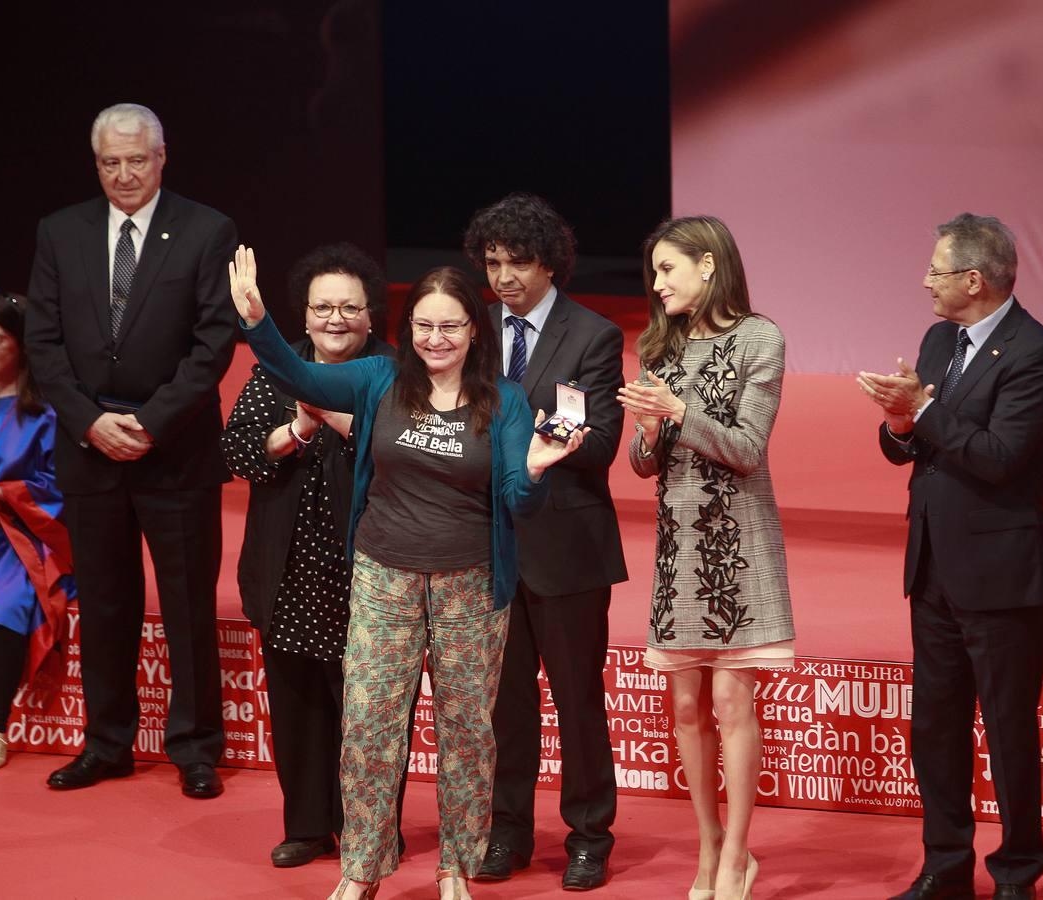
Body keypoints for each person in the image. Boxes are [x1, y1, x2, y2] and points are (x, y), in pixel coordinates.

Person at [229, 249, 589, 900]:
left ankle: (457, 865)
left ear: (475, 330)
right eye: (423, 325)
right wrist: (256, 322)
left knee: (467, 731)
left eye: (450, 326)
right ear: (408, 326)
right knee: (367, 724)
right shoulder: (377, 378)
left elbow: (515, 498)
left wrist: (535, 470)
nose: (435, 339)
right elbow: (293, 373)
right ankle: (361, 868)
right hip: (382, 576)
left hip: (472, 585)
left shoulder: (504, 401)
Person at [24, 102, 237, 799]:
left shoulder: (207, 230)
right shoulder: (61, 232)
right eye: (110, 162)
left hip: (175, 452)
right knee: (107, 605)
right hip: (90, 453)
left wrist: (148, 422)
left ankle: (196, 746)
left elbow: (213, 344)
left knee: (186, 606)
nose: (123, 174)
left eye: (135, 160)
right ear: (97, 164)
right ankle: (107, 743)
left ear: (161, 156)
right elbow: (44, 346)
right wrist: (91, 422)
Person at [858, 213, 1043, 900]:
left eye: (937, 271)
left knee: (1008, 731)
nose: (926, 282)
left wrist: (923, 411)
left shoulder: (1035, 351)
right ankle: (945, 865)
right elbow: (915, 443)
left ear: (974, 279)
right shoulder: (939, 338)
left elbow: (1003, 459)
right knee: (935, 727)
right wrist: (898, 422)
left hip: (1002, 573)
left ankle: (1016, 875)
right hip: (933, 567)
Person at [618, 215, 794, 900]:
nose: (656, 283)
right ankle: (709, 843)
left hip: (740, 547)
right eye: (654, 271)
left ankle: (738, 854)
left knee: (729, 697)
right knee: (686, 705)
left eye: (667, 269)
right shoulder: (658, 346)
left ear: (709, 266)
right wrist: (648, 429)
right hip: (679, 547)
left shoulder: (761, 338)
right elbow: (642, 465)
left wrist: (677, 409)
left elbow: (749, 449)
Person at [463, 193, 627, 892]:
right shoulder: (467, 329)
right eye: (493, 262)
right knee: (504, 703)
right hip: (486, 544)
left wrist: (511, 426)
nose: (503, 277)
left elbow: (600, 442)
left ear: (550, 262)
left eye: (517, 262)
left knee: (577, 699)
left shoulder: (594, 335)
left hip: (567, 545)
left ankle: (590, 836)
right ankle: (507, 831)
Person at [221, 243, 396, 867]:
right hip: (288, 566)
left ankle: (371, 828)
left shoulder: (393, 376)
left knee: (369, 710)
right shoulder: (276, 369)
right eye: (323, 307)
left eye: (350, 307)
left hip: (372, 572)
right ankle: (307, 824)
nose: (336, 319)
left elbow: (409, 462)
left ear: (372, 316)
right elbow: (235, 453)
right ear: (304, 313)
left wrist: (339, 420)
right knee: (296, 704)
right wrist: (295, 430)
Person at [0, 288, 75, 770]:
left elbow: (59, 486)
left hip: (18, 540)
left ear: (22, 347)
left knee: (1, 602)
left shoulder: (45, 414)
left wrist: (3, 492)